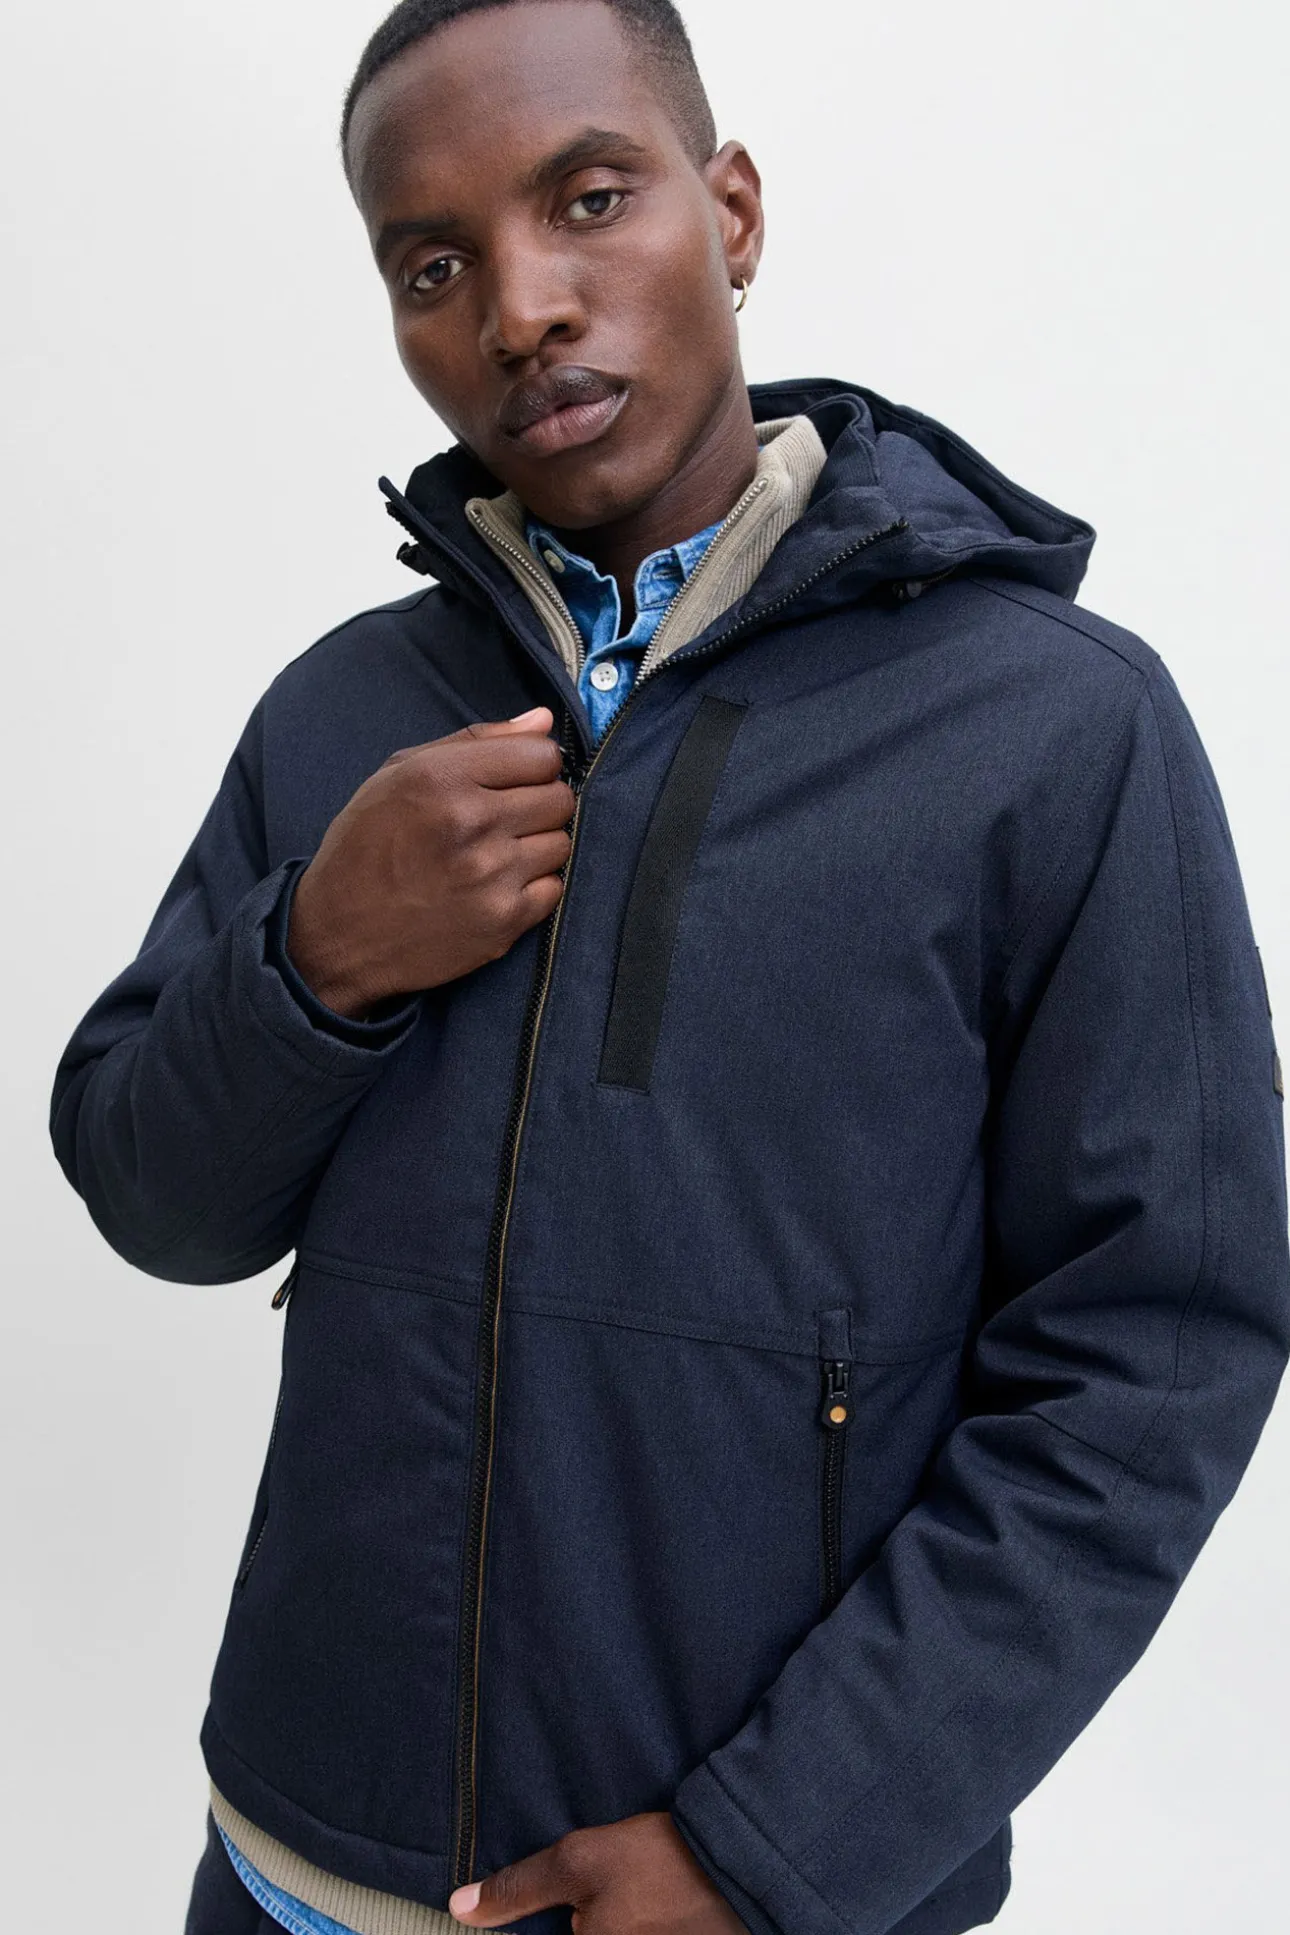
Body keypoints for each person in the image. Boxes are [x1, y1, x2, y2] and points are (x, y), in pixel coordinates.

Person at [48, 1, 1290, 1932]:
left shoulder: (1055, 727)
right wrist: (317, 952)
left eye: (588, 199)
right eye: (431, 265)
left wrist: (774, 1850)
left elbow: (1150, 1359)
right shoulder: (341, 714)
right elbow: (155, 1198)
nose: (519, 309)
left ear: (732, 212)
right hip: (294, 1861)